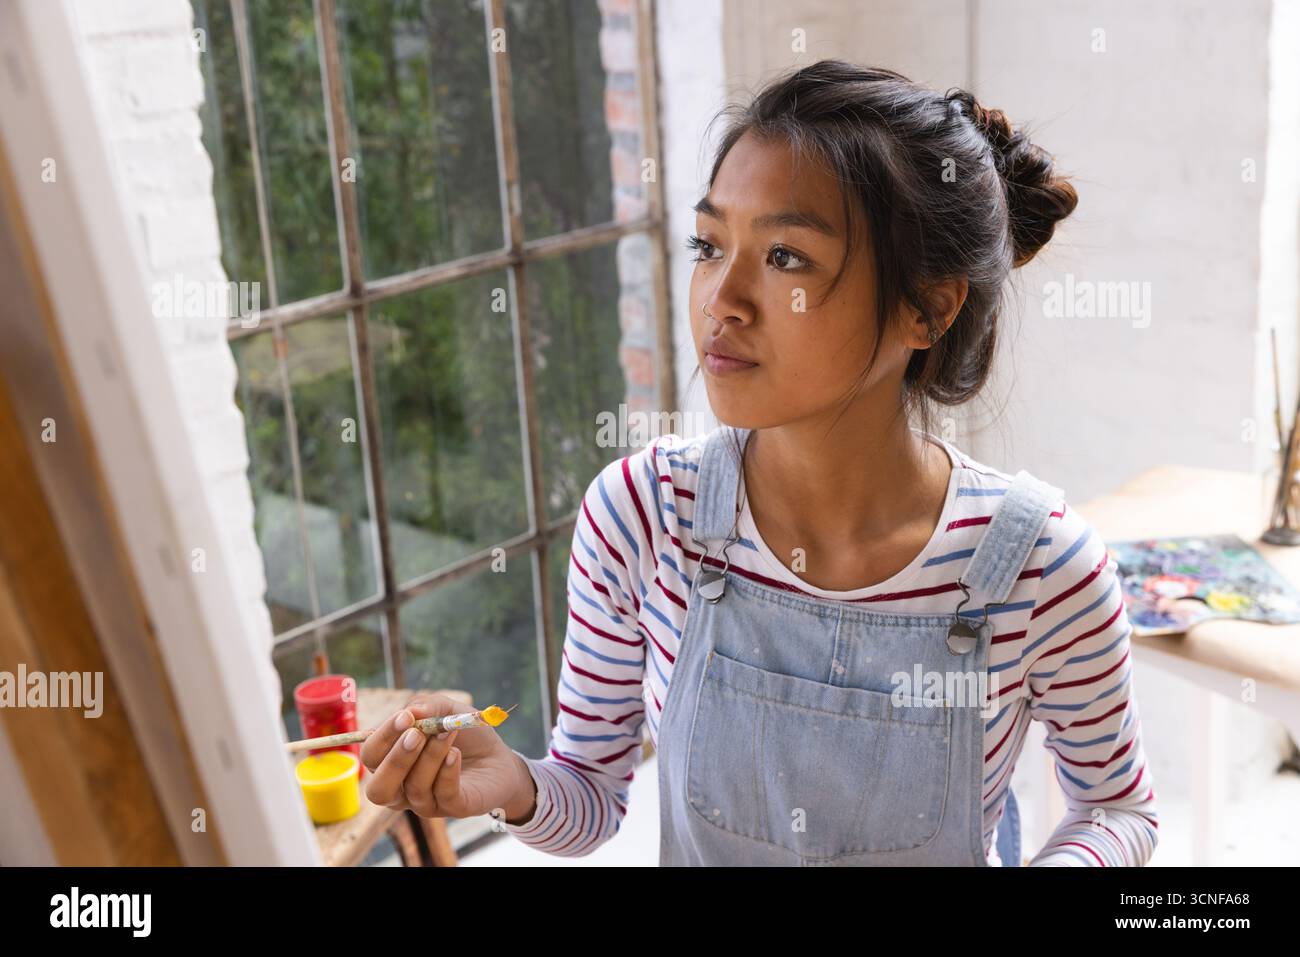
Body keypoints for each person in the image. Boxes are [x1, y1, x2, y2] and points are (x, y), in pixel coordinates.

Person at [358, 60, 1158, 866]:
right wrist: (513, 784)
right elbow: (591, 800)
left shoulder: (1040, 564)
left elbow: (1117, 806)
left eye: (786, 258)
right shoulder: (643, 514)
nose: (721, 298)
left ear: (927, 307)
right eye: (709, 243)